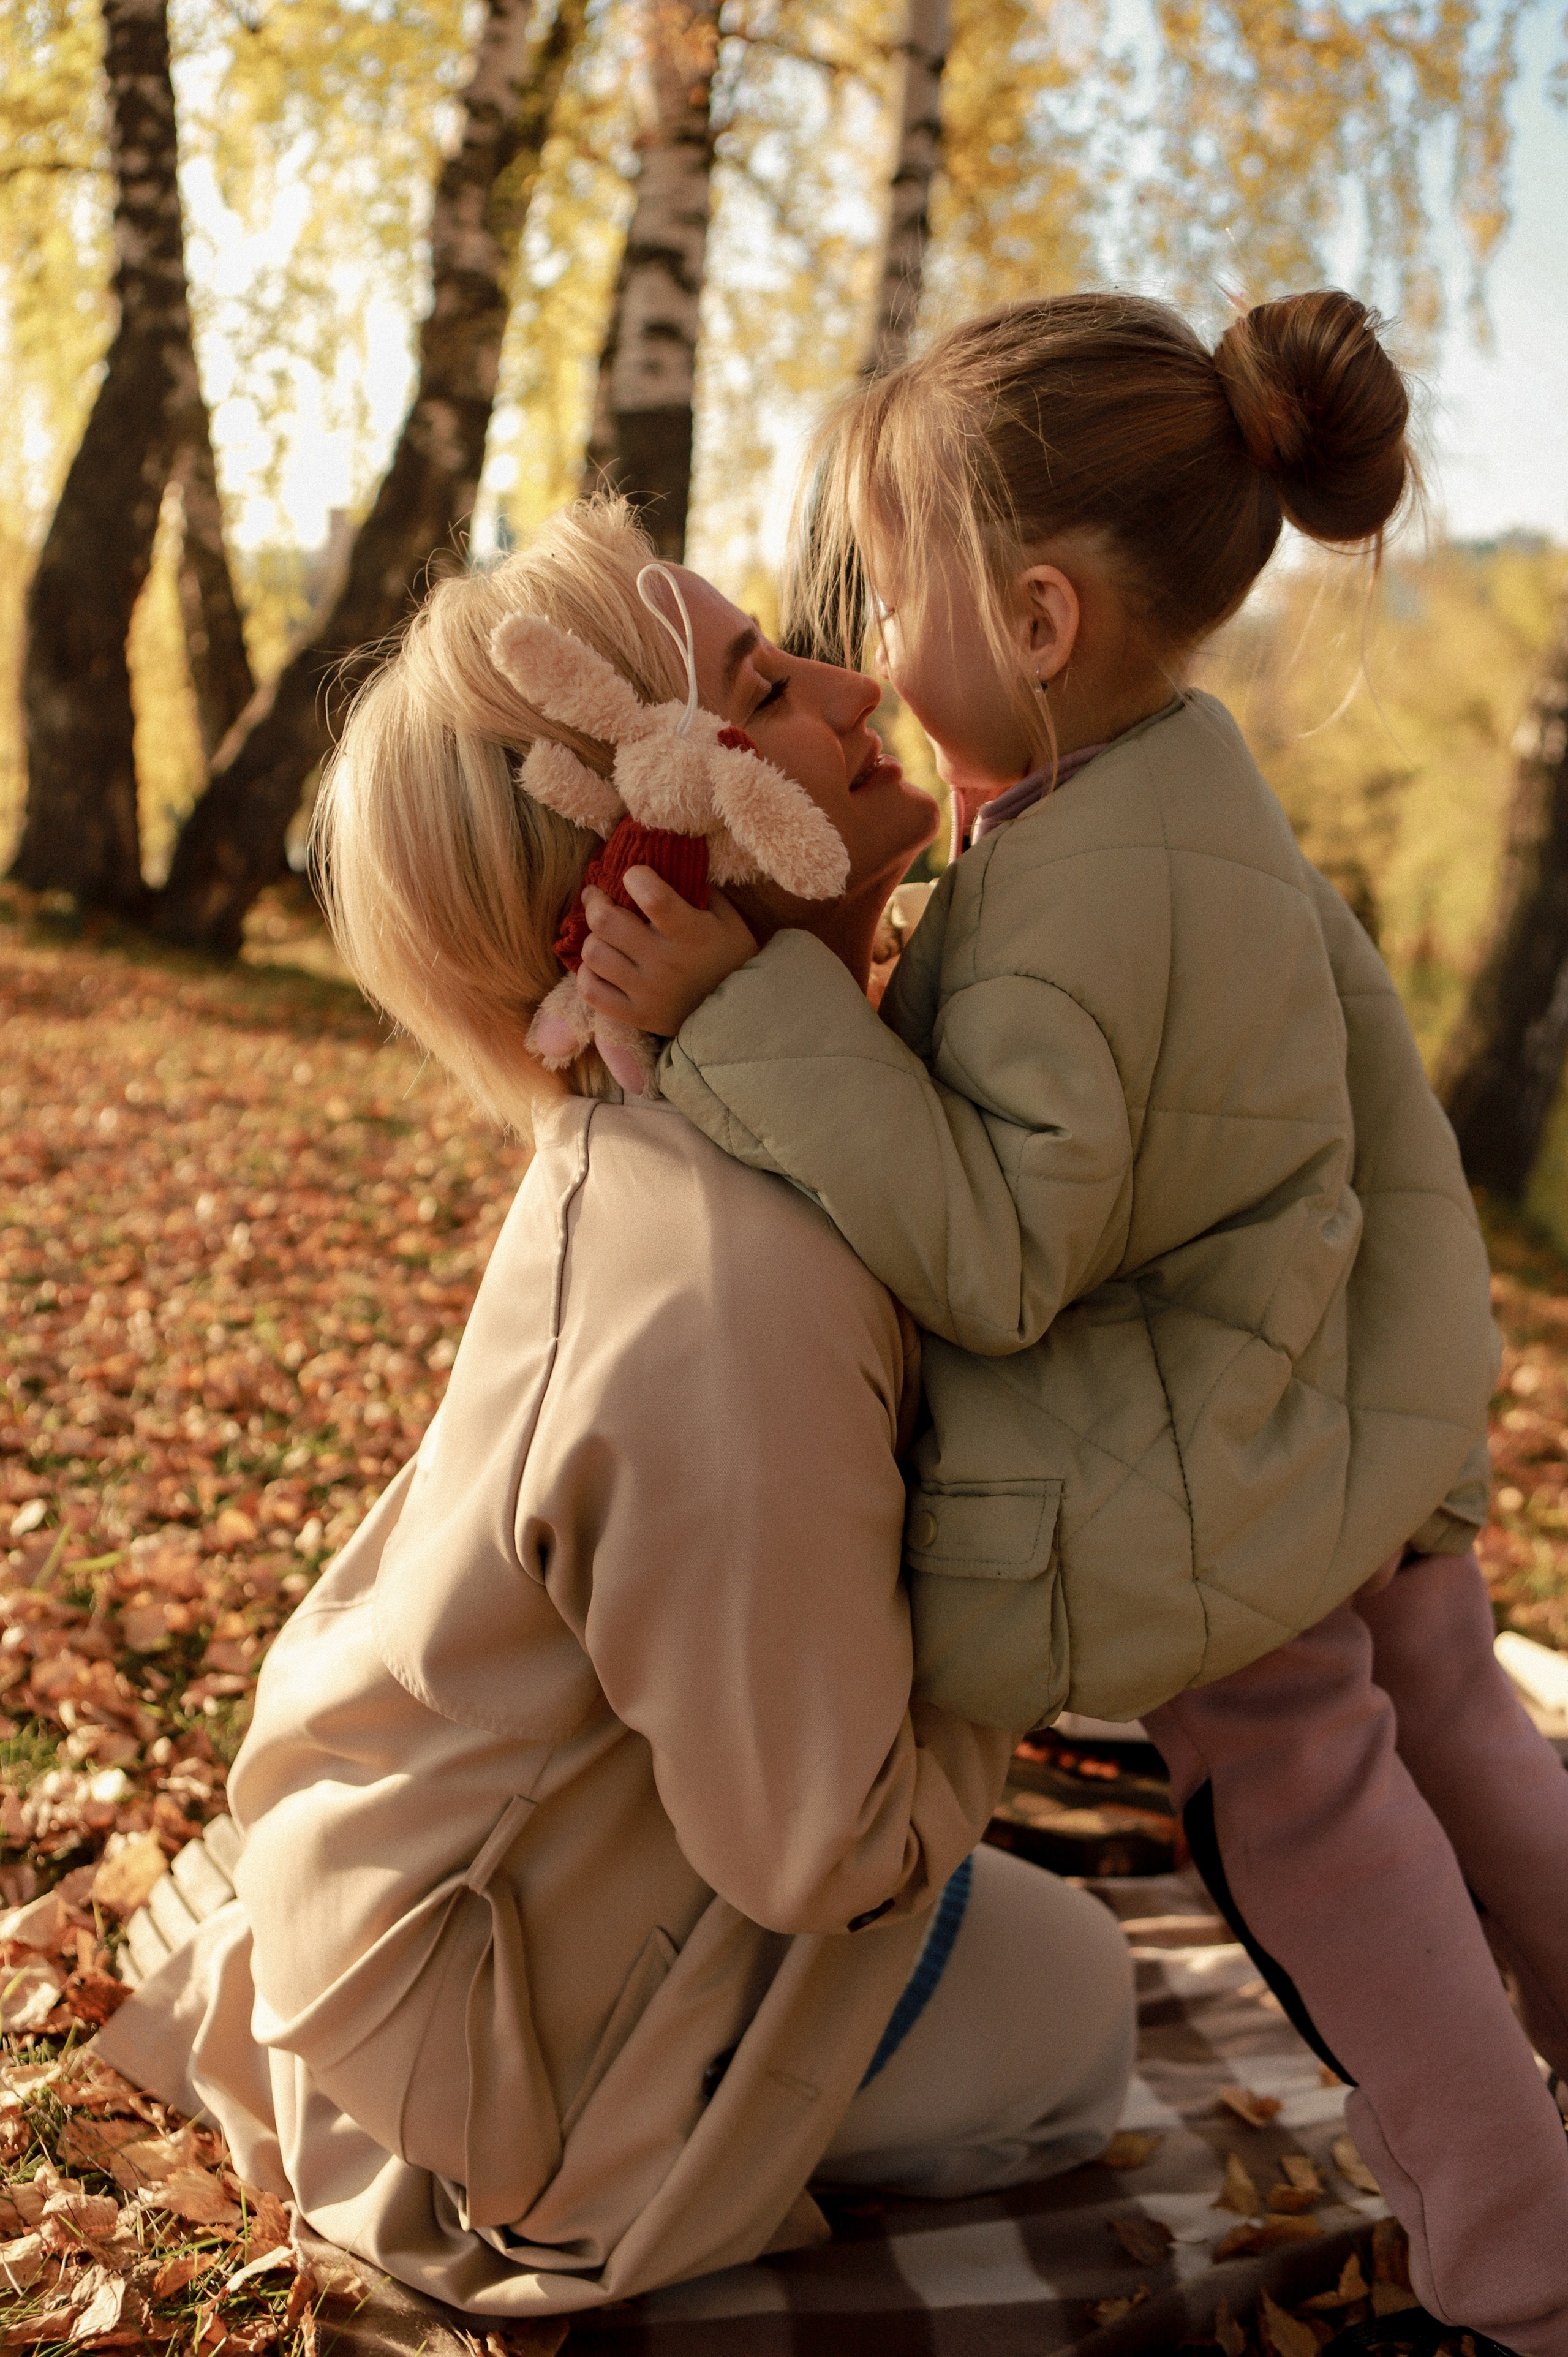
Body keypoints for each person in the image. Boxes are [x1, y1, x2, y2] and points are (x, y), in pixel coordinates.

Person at [573, 292, 1568, 2355]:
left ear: (1033, 621)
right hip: (1344, 1393)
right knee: (1470, 1735)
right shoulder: (1193, 800)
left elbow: (1006, 1251)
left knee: (1324, 1831)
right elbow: (1368, 1106)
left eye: (891, 583)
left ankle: (1526, 2258)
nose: (862, 635)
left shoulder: (1060, 907)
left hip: (1223, 1460)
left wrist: (744, 1014)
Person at [95, 498, 1136, 2325]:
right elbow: (821, 1846)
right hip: (517, 2061)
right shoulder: (728, 1278)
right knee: (1091, 2012)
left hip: (479, 1883)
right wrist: (1036, 1630)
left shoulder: (749, 1140)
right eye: (766, 682)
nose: (858, 678)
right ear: (656, 839)